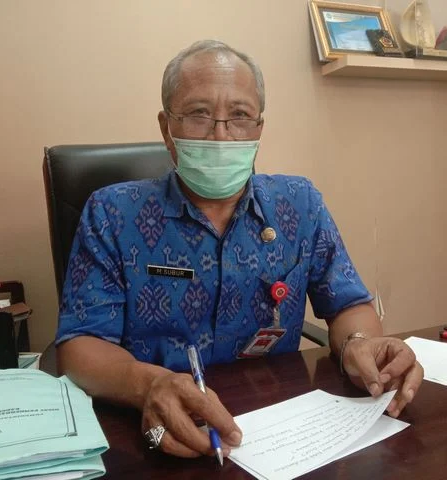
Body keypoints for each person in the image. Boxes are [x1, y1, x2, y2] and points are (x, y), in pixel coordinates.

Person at [55, 39, 423, 461]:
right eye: (198, 113)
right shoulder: (112, 213)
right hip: (155, 428)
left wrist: (360, 343)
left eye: (240, 116)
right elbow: (80, 347)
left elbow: (348, 304)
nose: (221, 134)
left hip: (279, 432)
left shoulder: (299, 204)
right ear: (166, 127)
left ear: (259, 128)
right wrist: (149, 385)